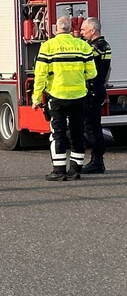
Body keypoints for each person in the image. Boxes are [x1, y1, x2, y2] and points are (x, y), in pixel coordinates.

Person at [32, 16, 97, 181]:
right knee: (77, 133)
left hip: (57, 96)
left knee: (58, 134)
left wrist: (36, 98)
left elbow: (40, 75)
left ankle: (59, 171)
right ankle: (75, 170)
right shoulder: (83, 46)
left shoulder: (48, 46)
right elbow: (92, 73)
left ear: (56, 30)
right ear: (71, 29)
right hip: (79, 96)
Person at [80, 17, 111, 174]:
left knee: (92, 127)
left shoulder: (97, 47)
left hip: (93, 90)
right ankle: (96, 160)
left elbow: (84, 57)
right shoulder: (103, 45)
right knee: (93, 126)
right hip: (97, 89)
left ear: (93, 30)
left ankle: (97, 161)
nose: (81, 32)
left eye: (83, 29)